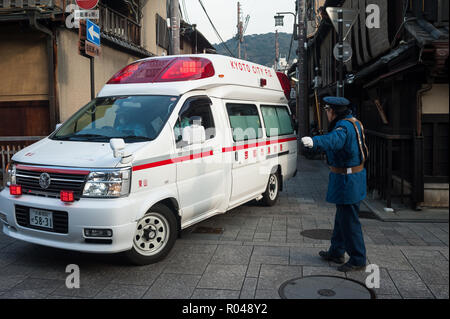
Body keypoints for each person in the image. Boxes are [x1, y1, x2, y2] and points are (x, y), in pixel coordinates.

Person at [301, 96, 369, 272]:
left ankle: (358, 259)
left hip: (348, 180)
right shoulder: (354, 122)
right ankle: (337, 251)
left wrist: (314, 141)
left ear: (334, 111)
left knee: (349, 222)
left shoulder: (343, 127)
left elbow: (334, 140)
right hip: (354, 177)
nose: (327, 113)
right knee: (342, 218)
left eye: (327, 110)